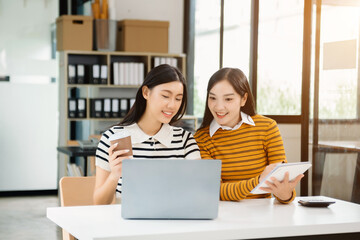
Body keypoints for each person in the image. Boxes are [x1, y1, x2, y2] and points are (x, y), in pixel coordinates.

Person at [94, 64, 201, 205]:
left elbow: (199, 193)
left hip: (172, 222)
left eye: (178, 98)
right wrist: (114, 175)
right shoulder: (114, 138)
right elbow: (99, 203)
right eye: (165, 96)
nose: (172, 105)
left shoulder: (185, 141)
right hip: (127, 225)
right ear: (146, 93)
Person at [194, 68, 303, 204]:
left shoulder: (267, 127)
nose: (218, 107)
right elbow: (215, 190)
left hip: (263, 215)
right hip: (223, 216)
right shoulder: (201, 138)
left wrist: (284, 194)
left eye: (228, 99)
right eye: (212, 98)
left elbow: (283, 188)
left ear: (243, 99)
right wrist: (258, 181)